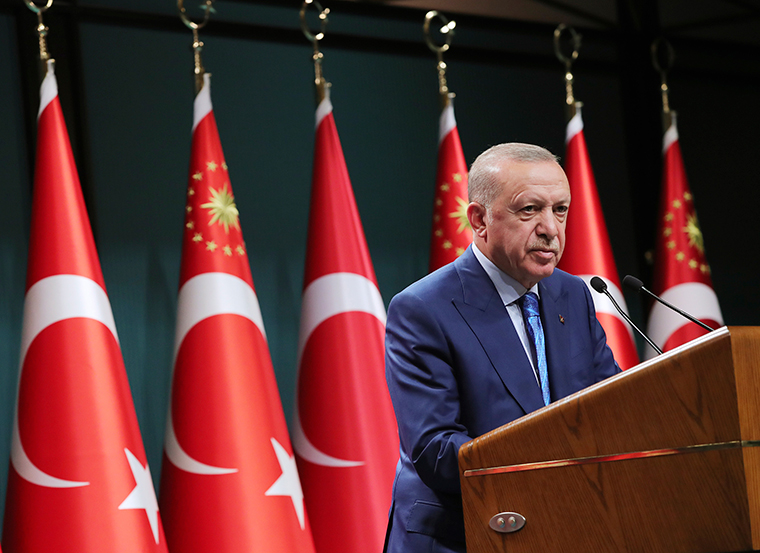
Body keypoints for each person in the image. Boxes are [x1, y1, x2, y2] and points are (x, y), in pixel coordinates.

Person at [383, 143, 620, 553]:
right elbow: (435, 449)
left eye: (560, 210)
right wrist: (549, 463)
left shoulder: (572, 294)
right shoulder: (423, 309)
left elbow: (611, 403)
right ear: (479, 220)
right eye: (530, 210)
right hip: (462, 536)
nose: (551, 228)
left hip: (562, 526)